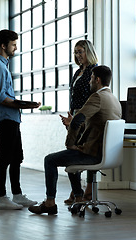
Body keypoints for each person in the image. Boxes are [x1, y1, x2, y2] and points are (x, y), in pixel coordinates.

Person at [28, 65, 121, 215]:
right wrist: (72, 124)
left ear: (97, 80)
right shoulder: (114, 100)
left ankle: (50, 203)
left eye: (91, 78)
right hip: (106, 154)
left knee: (49, 160)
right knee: (72, 157)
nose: (90, 82)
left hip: (93, 154)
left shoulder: (97, 97)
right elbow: (95, 127)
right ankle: (78, 198)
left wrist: (70, 144)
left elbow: (78, 120)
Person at [0, 29, 41, 210]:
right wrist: (25, 105)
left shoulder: (3, 66)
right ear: (4, 45)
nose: (16, 48)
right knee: (4, 159)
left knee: (16, 157)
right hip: (6, 120)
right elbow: (1, 97)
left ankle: (17, 195)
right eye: (13, 44)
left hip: (12, 119)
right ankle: (2, 198)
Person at [64, 39, 99, 204]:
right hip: (76, 115)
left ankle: (87, 190)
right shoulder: (77, 72)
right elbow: (73, 95)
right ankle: (76, 190)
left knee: (87, 151)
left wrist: (81, 117)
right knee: (75, 151)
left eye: (80, 52)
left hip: (87, 115)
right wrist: (71, 115)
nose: (77, 55)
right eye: (75, 52)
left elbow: (94, 96)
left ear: (88, 52)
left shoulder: (94, 70)